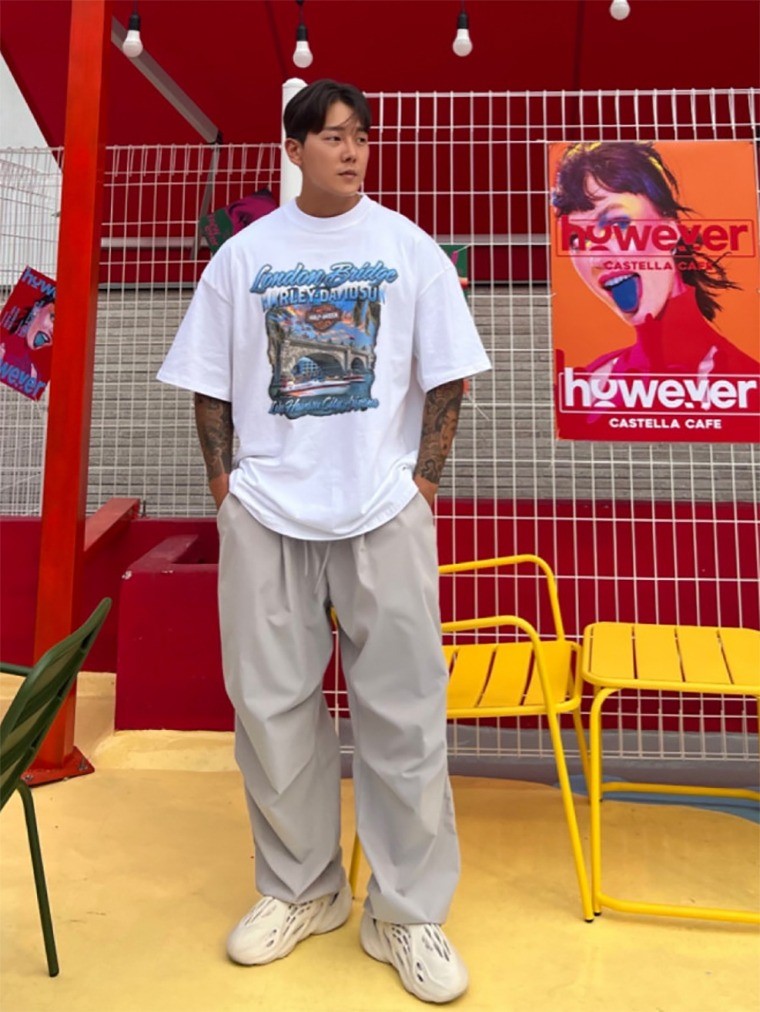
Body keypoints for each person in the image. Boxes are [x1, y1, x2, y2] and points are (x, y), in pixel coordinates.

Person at [158, 79, 490, 1004]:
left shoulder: (409, 249)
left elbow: (449, 377)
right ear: (293, 149)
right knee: (269, 710)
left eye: (360, 137)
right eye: (331, 137)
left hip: (383, 507)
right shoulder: (243, 258)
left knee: (406, 711)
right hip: (267, 509)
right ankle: (302, 891)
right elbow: (210, 383)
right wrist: (226, 488)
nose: (351, 151)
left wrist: (422, 484)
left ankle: (406, 912)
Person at [551, 141, 759, 424]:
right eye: (576, 239)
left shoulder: (745, 382)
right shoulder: (591, 384)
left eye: (617, 225)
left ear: (669, 231)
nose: (596, 257)